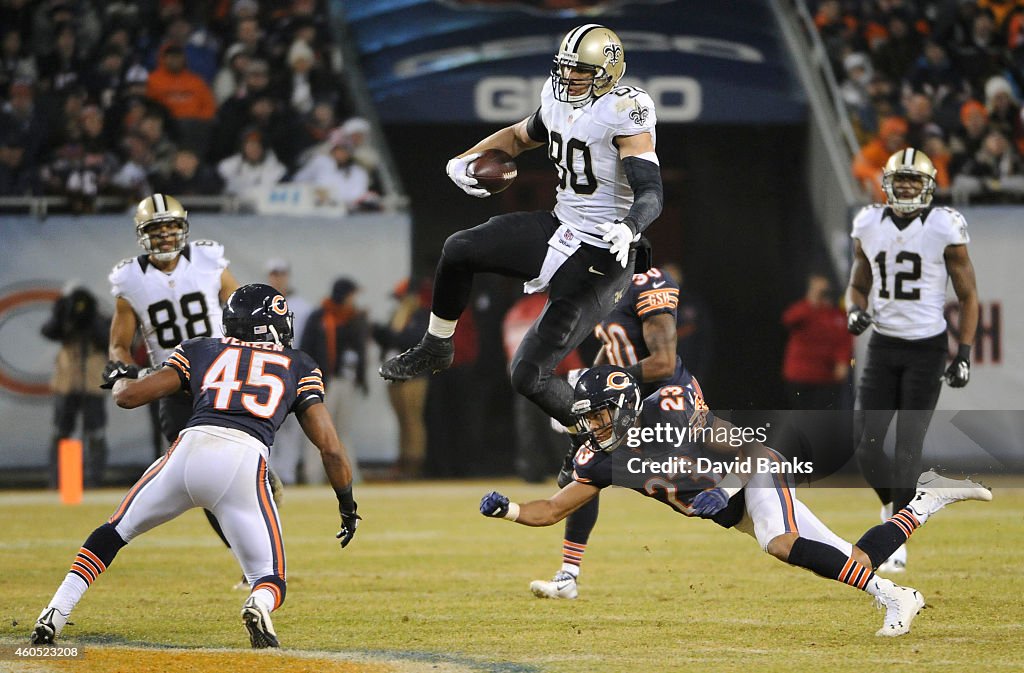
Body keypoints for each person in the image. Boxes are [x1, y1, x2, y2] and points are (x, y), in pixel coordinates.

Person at [480, 366, 991, 637]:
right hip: (730, 509)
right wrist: (508, 511)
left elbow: (749, 449)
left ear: (627, 407)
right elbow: (551, 510)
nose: (592, 426)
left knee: (780, 542)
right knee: (848, 560)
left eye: (599, 416)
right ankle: (927, 500)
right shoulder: (602, 457)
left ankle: (894, 597)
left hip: (753, 477)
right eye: (588, 419)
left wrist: (720, 490)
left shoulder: (673, 413)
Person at [31, 284, 359, 649]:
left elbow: (129, 397)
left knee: (114, 531)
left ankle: (55, 611)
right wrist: (346, 504)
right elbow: (330, 449)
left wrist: (123, 375)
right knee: (271, 579)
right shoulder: (299, 364)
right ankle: (257, 604)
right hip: (243, 462)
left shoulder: (201, 349)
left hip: (187, 451)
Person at [379, 24, 663, 439]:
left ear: (608, 72)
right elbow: (517, 136)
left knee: (528, 376)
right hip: (561, 227)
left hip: (605, 253)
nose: (567, 79)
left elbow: (652, 191)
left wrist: (630, 226)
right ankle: (437, 345)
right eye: (564, 69)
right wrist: (465, 158)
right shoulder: (558, 98)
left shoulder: (625, 110)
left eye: (579, 71)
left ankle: (599, 436)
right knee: (459, 249)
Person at [105, 193, 272, 566]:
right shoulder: (129, 278)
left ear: (183, 229)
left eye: (170, 228)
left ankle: (256, 549)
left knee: (236, 470)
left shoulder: (209, 259)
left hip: (221, 373)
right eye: (156, 230)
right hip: (173, 380)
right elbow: (119, 343)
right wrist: (120, 365)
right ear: (142, 234)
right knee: (201, 474)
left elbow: (240, 309)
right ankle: (248, 558)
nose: (165, 237)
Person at [845, 148, 979, 573]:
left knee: (907, 447)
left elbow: (969, 295)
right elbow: (858, 283)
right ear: (885, 183)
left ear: (928, 186)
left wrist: (966, 353)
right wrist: (854, 309)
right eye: (899, 180)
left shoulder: (944, 224)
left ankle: (894, 539)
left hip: (927, 347)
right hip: (884, 345)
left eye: (912, 181)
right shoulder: (867, 221)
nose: (905, 187)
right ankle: (894, 510)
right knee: (865, 444)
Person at [528, 266, 684, 599]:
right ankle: (568, 574)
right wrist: (590, 383)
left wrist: (609, 391)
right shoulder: (606, 288)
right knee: (581, 475)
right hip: (623, 405)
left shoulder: (647, 282)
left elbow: (664, 363)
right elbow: (611, 349)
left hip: (656, 404)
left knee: (715, 496)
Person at [40, 284, 110, 488]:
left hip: (92, 382)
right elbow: (48, 331)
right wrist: (61, 312)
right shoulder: (64, 317)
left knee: (95, 432)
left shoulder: (99, 318)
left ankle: (92, 480)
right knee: (63, 431)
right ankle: (66, 480)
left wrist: (92, 317)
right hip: (67, 382)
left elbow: (107, 339)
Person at [300, 277, 369, 484]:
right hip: (323, 382)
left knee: (343, 430)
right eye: (351, 295)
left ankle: (349, 475)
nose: (353, 299)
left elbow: (360, 351)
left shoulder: (354, 319)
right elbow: (306, 348)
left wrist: (361, 378)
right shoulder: (319, 317)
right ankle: (313, 475)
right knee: (318, 430)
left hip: (346, 381)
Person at [781, 273, 852, 411]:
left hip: (825, 377)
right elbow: (788, 320)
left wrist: (842, 361)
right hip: (800, 375)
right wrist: (811, 301)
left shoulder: (837, 315)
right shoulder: (805, 309)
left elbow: (844, 341)